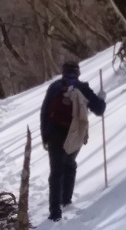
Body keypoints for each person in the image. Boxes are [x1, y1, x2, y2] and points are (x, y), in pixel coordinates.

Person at [40, 61, 106, 221]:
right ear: (78, 73)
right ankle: (66, 200)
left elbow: (44, 112)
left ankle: (55, 212)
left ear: (63, 72)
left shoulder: (55, 87)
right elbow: (99, 110)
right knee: (69, 163)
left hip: (55, 133)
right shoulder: (83, 87)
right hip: (74, 133)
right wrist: (102, 98)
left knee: (56, 171)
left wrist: (45, 136)